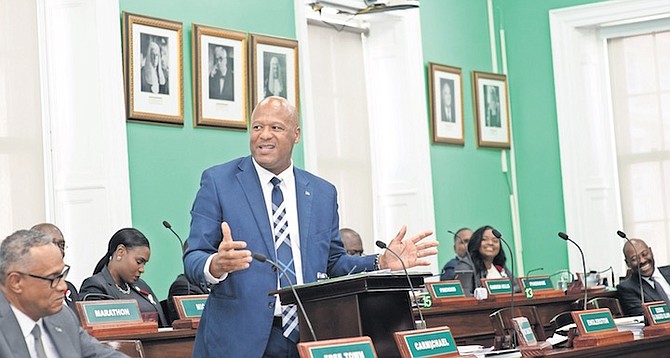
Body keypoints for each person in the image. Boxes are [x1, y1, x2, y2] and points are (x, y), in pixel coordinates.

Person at [183, 96, 437, 357]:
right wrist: (216, 264)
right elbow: (194, 257)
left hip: (311, 331)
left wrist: (381, 262)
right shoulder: (219, 182)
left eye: (276, 128)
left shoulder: (321, 192)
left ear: (296, 134)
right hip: (240, 339)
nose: (263, 135)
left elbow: (333, 263)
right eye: (257, 127)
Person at [0, 230, 124, 357]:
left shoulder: (62, 317)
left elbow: (101, 355)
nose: (63, 286)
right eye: (52, 278)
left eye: (62, 275)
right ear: (16, 282)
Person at [79, 228, 168, 327]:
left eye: (144, 264)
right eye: (139, 262)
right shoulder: (95, 287)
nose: (142, 269)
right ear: (120, 252)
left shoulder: (141, 286)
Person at [30, 223, 80, 314]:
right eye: (51, 244)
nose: (59, 250)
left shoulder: (69, 289)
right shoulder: (27, 289)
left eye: (61, 245)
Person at [455, 225, 518, 295]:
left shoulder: (499, 265)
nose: (490, 243)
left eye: (495, 240)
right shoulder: (465, 265)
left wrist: (501, 290)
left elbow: (517, 287)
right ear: (476, 242)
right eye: (484, 239)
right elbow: (464, 294)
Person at [617, 238, 670, 316]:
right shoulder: (627, 288)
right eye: (634, 259)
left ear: (651, 252)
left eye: (645, 254)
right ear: (627, 263)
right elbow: (643, 316)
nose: (642, 261)